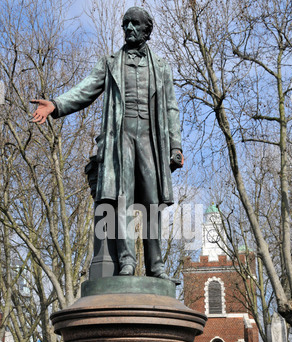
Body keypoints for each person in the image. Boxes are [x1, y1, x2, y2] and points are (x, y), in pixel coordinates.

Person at [31, 7, 183, 279]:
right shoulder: (111, 63)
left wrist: (175, 146)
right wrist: (55, 105)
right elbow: (86, 89)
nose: (129, 29)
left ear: (147, 30)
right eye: (125, 24)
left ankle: (156, 265)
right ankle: (127, 261)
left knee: (152, 202)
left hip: (151, 138)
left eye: (135, 25)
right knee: (122, 199)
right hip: (121, 136)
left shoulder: (161, 67)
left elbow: (171, 108)